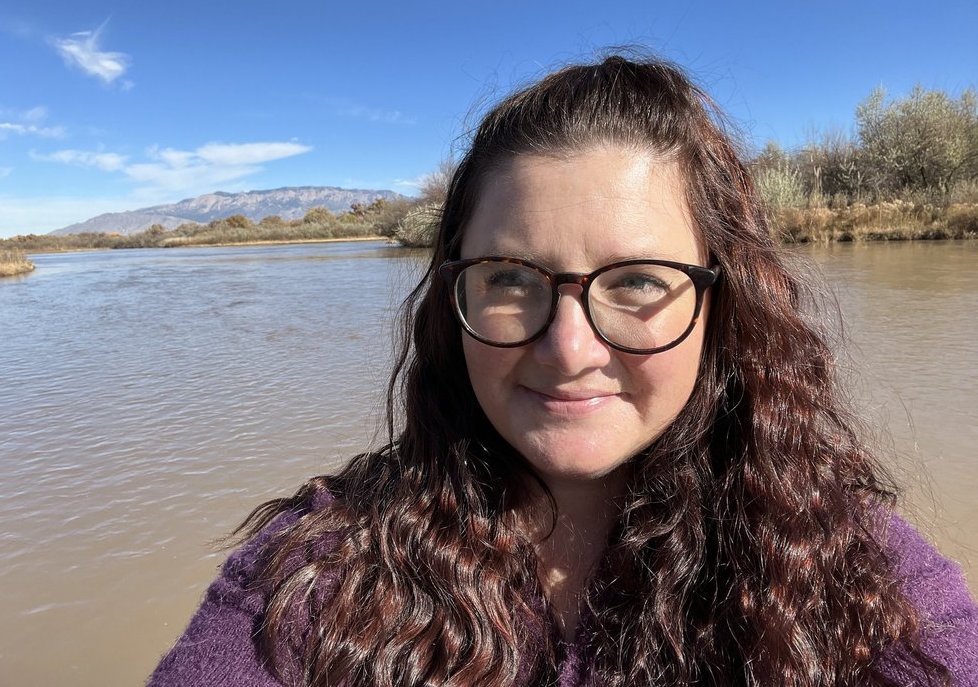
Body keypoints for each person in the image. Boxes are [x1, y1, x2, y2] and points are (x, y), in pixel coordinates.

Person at [149, 55, 978, 686]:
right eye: (511, 279)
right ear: (452, 298)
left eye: (639, 281)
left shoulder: (847, 568)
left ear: (723, 305)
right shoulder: (317, 573)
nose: (570, 350)